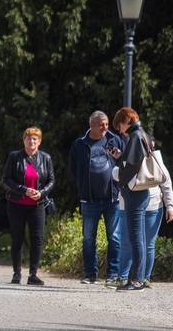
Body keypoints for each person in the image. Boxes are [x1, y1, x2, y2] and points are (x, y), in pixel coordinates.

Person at [68, 111, 125, 287]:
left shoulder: (115, 140)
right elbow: (73, 169)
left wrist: (120, 156)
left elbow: (126, 164)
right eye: (101, 124)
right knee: (88, 239)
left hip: (112, 198)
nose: (105, 127)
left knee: (114, 238)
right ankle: (90, 274)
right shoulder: (79, 144)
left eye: (107, 124)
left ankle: (112, 274)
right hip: (89, 200)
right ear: (91, 125)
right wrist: (82, 186)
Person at [1, 127, 55, 286]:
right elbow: (6, 179)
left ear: (39, 141)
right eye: (28, 138)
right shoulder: (14, 157)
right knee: (17, 238)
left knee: (37, 239)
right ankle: (16, 273)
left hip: (37, 205)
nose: (31, 141)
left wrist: (42, 193)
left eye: (35, 139)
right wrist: (24, 190)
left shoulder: (46, 158)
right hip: (16, 204)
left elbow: (51, 180)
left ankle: (33, 274)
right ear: (23, 140)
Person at [110, 107, 156, 291]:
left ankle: (136, 280)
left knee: (136, 238)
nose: (120, 131)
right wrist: (122, 158)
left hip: (135, 193)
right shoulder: (144, 134)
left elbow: (131, 166)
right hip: (142, 192)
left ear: (126, 121)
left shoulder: (135, 136)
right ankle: (140, 278)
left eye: (119, 126)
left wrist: (119, 177)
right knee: (140, 238)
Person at [116, 161, 173, 288]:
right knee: (127, 243)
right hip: (127, 206)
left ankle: (144, 278)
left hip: (152, 206)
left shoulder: (154, 159)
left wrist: (170, 205)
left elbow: (166, 182)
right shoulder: (127, 156)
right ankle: (123, 277)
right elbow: (117, 175)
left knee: (147, 244)